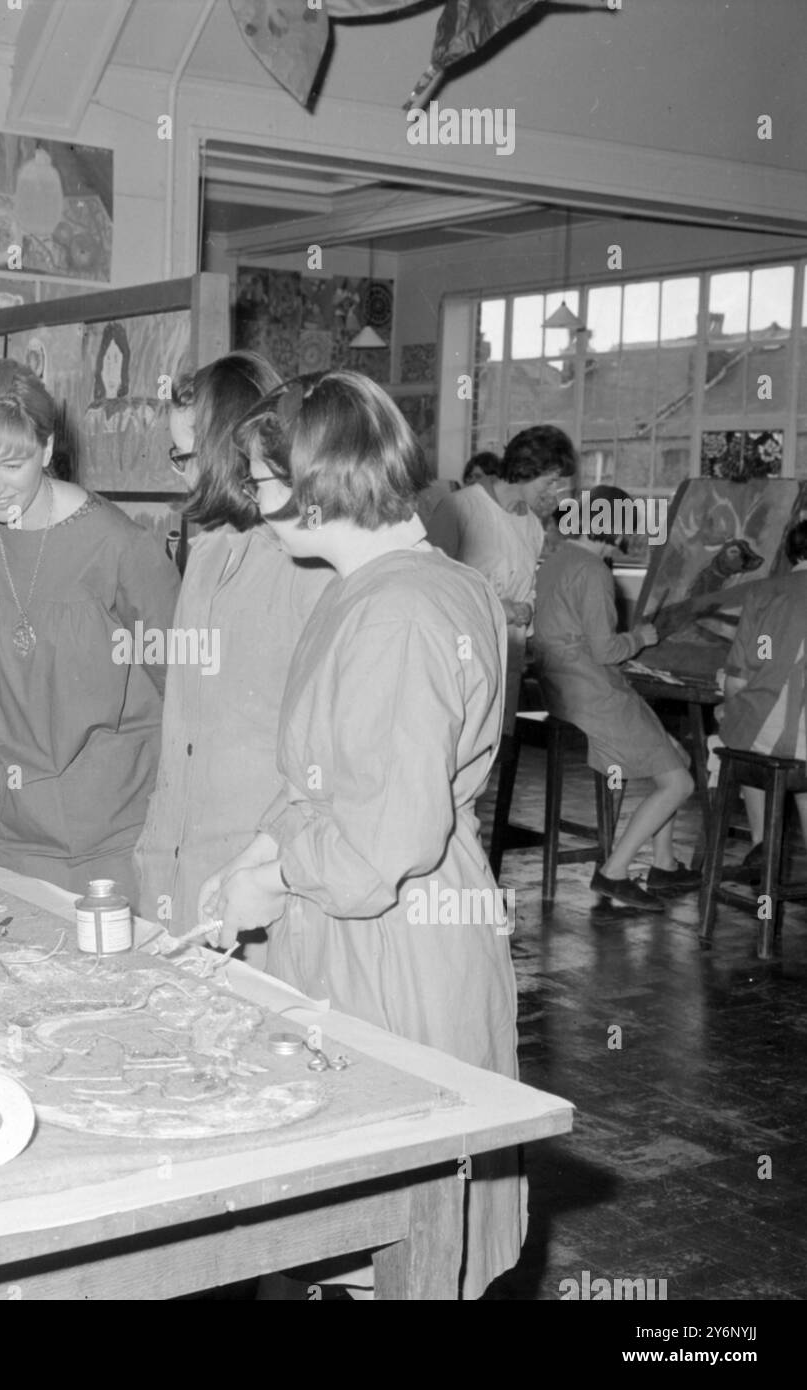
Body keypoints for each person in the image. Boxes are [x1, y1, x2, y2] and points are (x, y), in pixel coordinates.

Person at [197, 370, 524, 1299]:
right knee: (348, 1236)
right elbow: (326, 783)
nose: (258, 511)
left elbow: (385, 837)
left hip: (389, 938)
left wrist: (274, 877)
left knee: (384, 1236)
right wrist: (254, 861)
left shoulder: (400, 611)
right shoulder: (397, 583)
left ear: (317, 480)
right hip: (366, 921)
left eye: (264, 485)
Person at [0, 359, 180, 898]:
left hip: (114, 826)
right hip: (11, 817)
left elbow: (181, 688)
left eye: (12, 464)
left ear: (46, 451)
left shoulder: (121, 548)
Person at [133, 352, 332, 946]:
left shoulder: (310, 566)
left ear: (229, 447)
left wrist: (260, 870)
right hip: (176, 861)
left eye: (186, 455)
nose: (179, 473)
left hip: (254, 876)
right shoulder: (209, 551)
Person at [532, 485, 699, 910]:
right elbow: (606, 650)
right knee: (680, 782)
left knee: (677, 755)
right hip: (594, 697)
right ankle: (614, 872)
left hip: (564, 690)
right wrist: (641, 637)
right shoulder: (592, 569)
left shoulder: (555, 561)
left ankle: (664, 863)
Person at [425, 424, 577, 731]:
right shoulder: (461, 508)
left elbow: (527, 587)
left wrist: (528, 608)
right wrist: (497, 606)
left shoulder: (532, 526)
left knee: (491, 752)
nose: (553, 492)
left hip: (507, 657)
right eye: (549, 482)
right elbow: (431, 586)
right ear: (526, 469)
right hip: (457, 661)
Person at [717, 519, 807, 882]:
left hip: (759, 738)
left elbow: (738, 676)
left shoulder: (762, 592)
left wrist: (728, 707)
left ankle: (761, 842)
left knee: (739, 724)